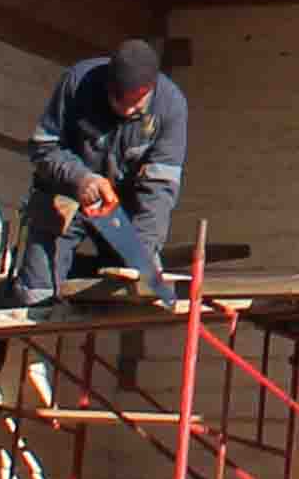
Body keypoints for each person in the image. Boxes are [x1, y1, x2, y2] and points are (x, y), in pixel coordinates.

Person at [16, 37, 185, 301]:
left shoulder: (170, 106)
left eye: (136, 104)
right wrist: (79, 178)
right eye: (119, 99)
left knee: (135, 293)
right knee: (35, 294)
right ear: (108, 84)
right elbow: (43, 148)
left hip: (122, 212)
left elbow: (159, 189)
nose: (127, 110)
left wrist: (142, 247)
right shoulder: (77, 81)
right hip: (65, 200)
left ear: (151, 89)